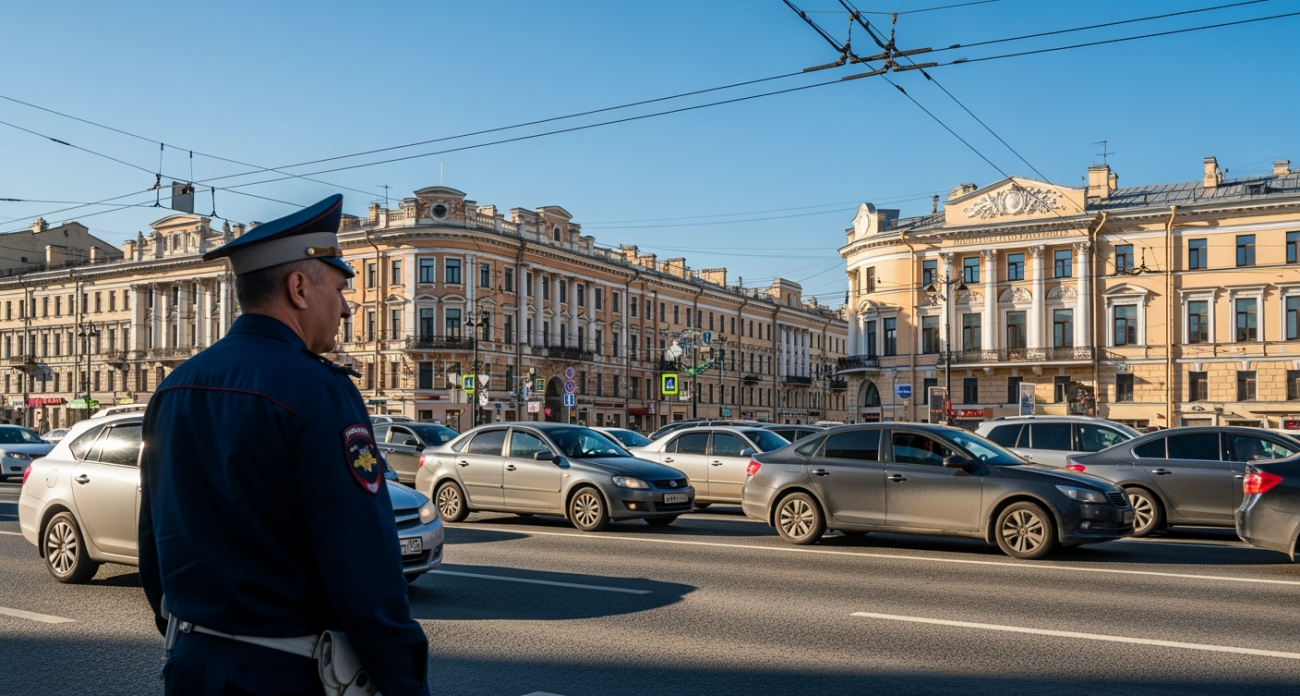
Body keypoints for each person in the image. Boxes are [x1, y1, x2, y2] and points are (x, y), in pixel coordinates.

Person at [138, 195, 428, 695]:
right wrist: (404, 681)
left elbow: (154, 543)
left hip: (188, 665)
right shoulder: (319, 391)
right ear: (298, 287)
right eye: (338, 289)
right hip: (284, 675)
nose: (346, 306)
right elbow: (362, 563)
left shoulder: (176, 386)